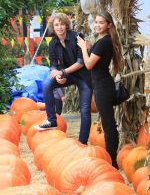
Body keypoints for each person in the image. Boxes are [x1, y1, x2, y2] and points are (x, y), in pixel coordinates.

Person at [34, 12, 92, 145]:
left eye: (62, 24)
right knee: (47, 84)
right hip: (68, 75)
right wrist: (56, 73)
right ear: (53, 27)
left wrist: (62, 72)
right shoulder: (53, 43)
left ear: (66, 25)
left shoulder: (77, 37)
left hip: (84, 76)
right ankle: (51, 119)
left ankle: (82, 143)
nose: (59, 27)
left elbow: (81, 62)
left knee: (84, 109)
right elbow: (53, 64)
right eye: (56, 25)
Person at [77, 11, 122, 168]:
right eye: (95, 22)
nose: (97, 25)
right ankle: (111, 158)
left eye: (101, 22)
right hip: (102, 85)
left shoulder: (104, 42)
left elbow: (89, 64)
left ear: (109, 25)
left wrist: (83, 47)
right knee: (108, 123)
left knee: (109, 125)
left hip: (103, 87)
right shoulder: (103, 40)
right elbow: (97, 60)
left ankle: (112, 161)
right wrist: (90, 47)